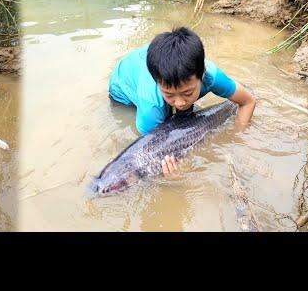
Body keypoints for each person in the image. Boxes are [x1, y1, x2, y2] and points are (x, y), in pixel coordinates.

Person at [108, 26, 256, 178]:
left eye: (188, 92)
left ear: (202, 74)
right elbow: (146, 155)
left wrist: (238, 137)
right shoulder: (151, 105)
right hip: (122, 90)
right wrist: (172, 179)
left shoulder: (211, 75)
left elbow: (248, 101)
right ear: (157, 83)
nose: (179, 102)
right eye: (170, 95)